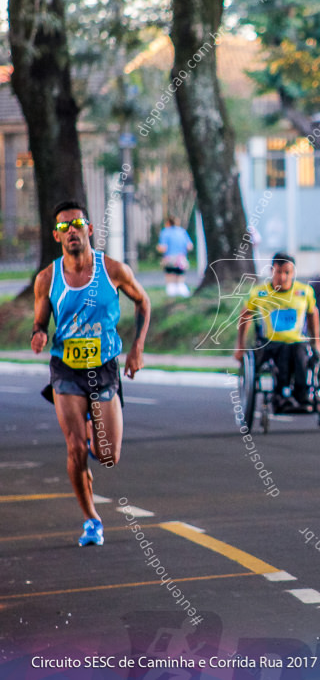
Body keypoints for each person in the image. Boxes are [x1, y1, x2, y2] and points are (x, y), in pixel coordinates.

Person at [31, 200, 151, 546]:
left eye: (77, 223)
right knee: (74, 450)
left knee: (109, 455)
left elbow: (143, 301)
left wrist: (137, 348)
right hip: (66, 369)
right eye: (65, 227)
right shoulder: (47, 279)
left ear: (90, 229)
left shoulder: (112, 269)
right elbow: (40, 321)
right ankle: (91, 520)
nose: (72, 231)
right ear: (57, 235)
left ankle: (90, 428)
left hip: (104, 368)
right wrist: (38, 333)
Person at [234, 252, 320, 413]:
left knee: (302, 355)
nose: (282, 277)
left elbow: (312, 314)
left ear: (293, 273)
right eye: (278, 272)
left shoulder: (304, 292)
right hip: (270, 343)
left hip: (297, 341)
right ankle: (281, 396)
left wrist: (316, 341)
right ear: (272, 271)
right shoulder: (260, 293)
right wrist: (240, 346)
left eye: (287, 272)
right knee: (282, 353)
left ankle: (302, 395)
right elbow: (245, 315)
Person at [156, 216, 194, 297]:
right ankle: (183, 293)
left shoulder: (165, 232)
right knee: (180, 278)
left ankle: (171, 295)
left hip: (169, 259)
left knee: (170, 278)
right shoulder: (182, 231)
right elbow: (189, 246)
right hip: (181, 258)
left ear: (168, 223)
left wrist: (158, 248)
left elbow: (163, 248)